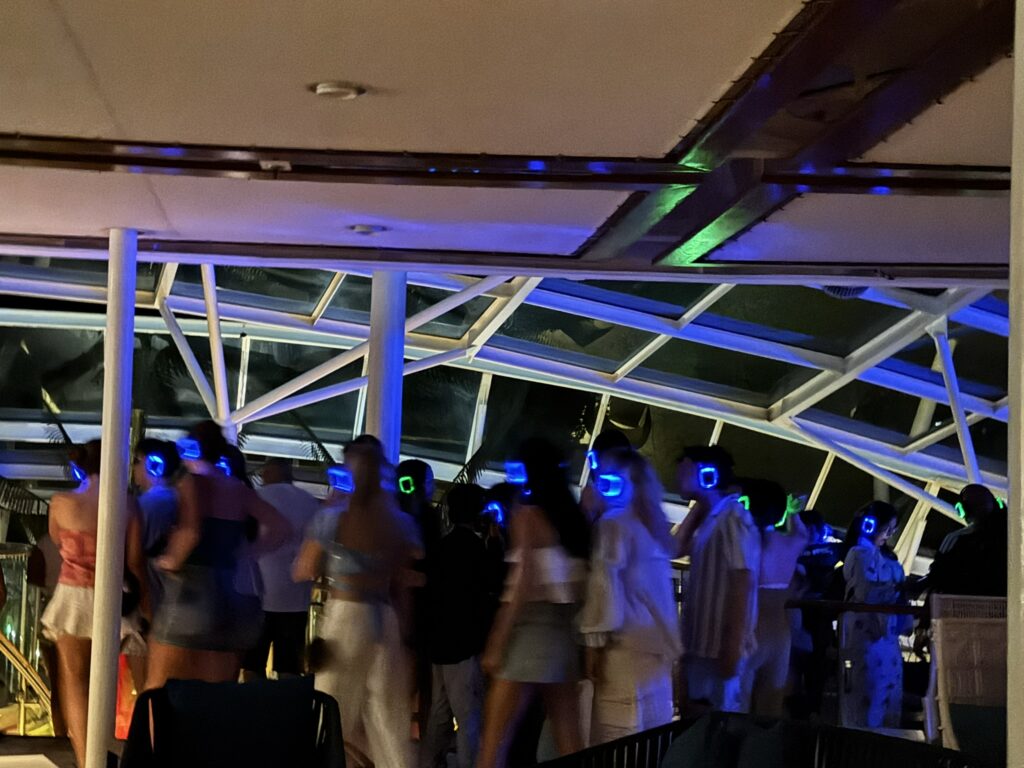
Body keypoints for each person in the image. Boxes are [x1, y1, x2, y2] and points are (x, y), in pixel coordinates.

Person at [295, 438, 422, 768]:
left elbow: (303, 569)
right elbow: (402, 584)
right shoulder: (400, 523)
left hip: (345, 616)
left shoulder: (333, 518)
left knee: (330, 705)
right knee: (387, 716)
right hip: (386, 618)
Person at [146, 421, 288, 690]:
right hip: (233, 600)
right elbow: (280, 527)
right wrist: (247, 552)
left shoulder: (191, 482)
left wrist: (169, 561)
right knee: (217, 695)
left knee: (158, 687)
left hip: (190, 594)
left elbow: (191, 531)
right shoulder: (237, 488)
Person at [477, 438, 590, 768]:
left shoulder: (527, 515)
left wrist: (497, 640)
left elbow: (522, 583)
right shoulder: (574, 519)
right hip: (562, 633)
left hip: (528, 631)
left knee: (494, 739)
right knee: (570, 739)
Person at [41, 441, 147, 768]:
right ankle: (105, 753)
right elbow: (134, 562)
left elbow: (57, 542)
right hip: (112, 597)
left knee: (75, 682)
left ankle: (86, 759)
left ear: (81, 467)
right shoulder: (127, 505)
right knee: (105, 680)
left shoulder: (61, 503)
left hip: (72, 598)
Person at [579, 448, 681, 744]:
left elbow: (604, 590)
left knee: (616, 742)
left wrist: (593, 646)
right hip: (656, 653)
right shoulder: (655, 527)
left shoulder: (613, 524)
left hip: (622, 651)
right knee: (650, 742)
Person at [673, 446, 760, 714]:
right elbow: (674, 549)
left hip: (718, 650)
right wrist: (700, 505)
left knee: (714, 726)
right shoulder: (714, 517)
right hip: (704, 648)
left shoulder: (732, 516)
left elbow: (742, 579)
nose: (677, 475)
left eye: (685, 468)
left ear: (706, 473)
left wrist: (731, 647)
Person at [420, 484, 493, 768]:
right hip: (463, 644)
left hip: (439, 643)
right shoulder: (476, 549)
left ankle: (427, 762)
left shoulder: (441, 546)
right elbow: (484, 593)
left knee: (440, 711)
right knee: (468, 715)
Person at [736, 479, 808, 718]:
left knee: (739, 707)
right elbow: (801, 535)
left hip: (750, 630)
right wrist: (793, 514)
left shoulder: (746, 543)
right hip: (780, 633)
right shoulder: (789, 543)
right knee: (770, 709)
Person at [242, 457, 320, 678]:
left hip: (259, 592)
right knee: (289, 665)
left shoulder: (257, 498)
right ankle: (285, 699)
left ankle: (252, 698)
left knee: (252, 662)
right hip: (296, 596)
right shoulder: (309, 502)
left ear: (268, 473)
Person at [840, 501, 909, 729]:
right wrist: (898, 589)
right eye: (886, 528)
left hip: (884, 636)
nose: (888, 534)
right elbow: (866, 592)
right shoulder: (859, 554)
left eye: (892, 530)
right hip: (866, 636)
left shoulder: (881, 558)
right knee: (867, 692)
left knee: (884, 692)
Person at [927, 485, 1007, 597]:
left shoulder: (956, 539)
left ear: (963, 510)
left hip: (961, 602)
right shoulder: (1014, 537)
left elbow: (937, 576)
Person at [131, 439, 181, 619]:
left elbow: (133, 554)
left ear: (153, 464)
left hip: (149, 592)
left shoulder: (148, 505)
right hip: (170, 594)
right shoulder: (176, 499)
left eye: (137, 461)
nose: (133, 467)